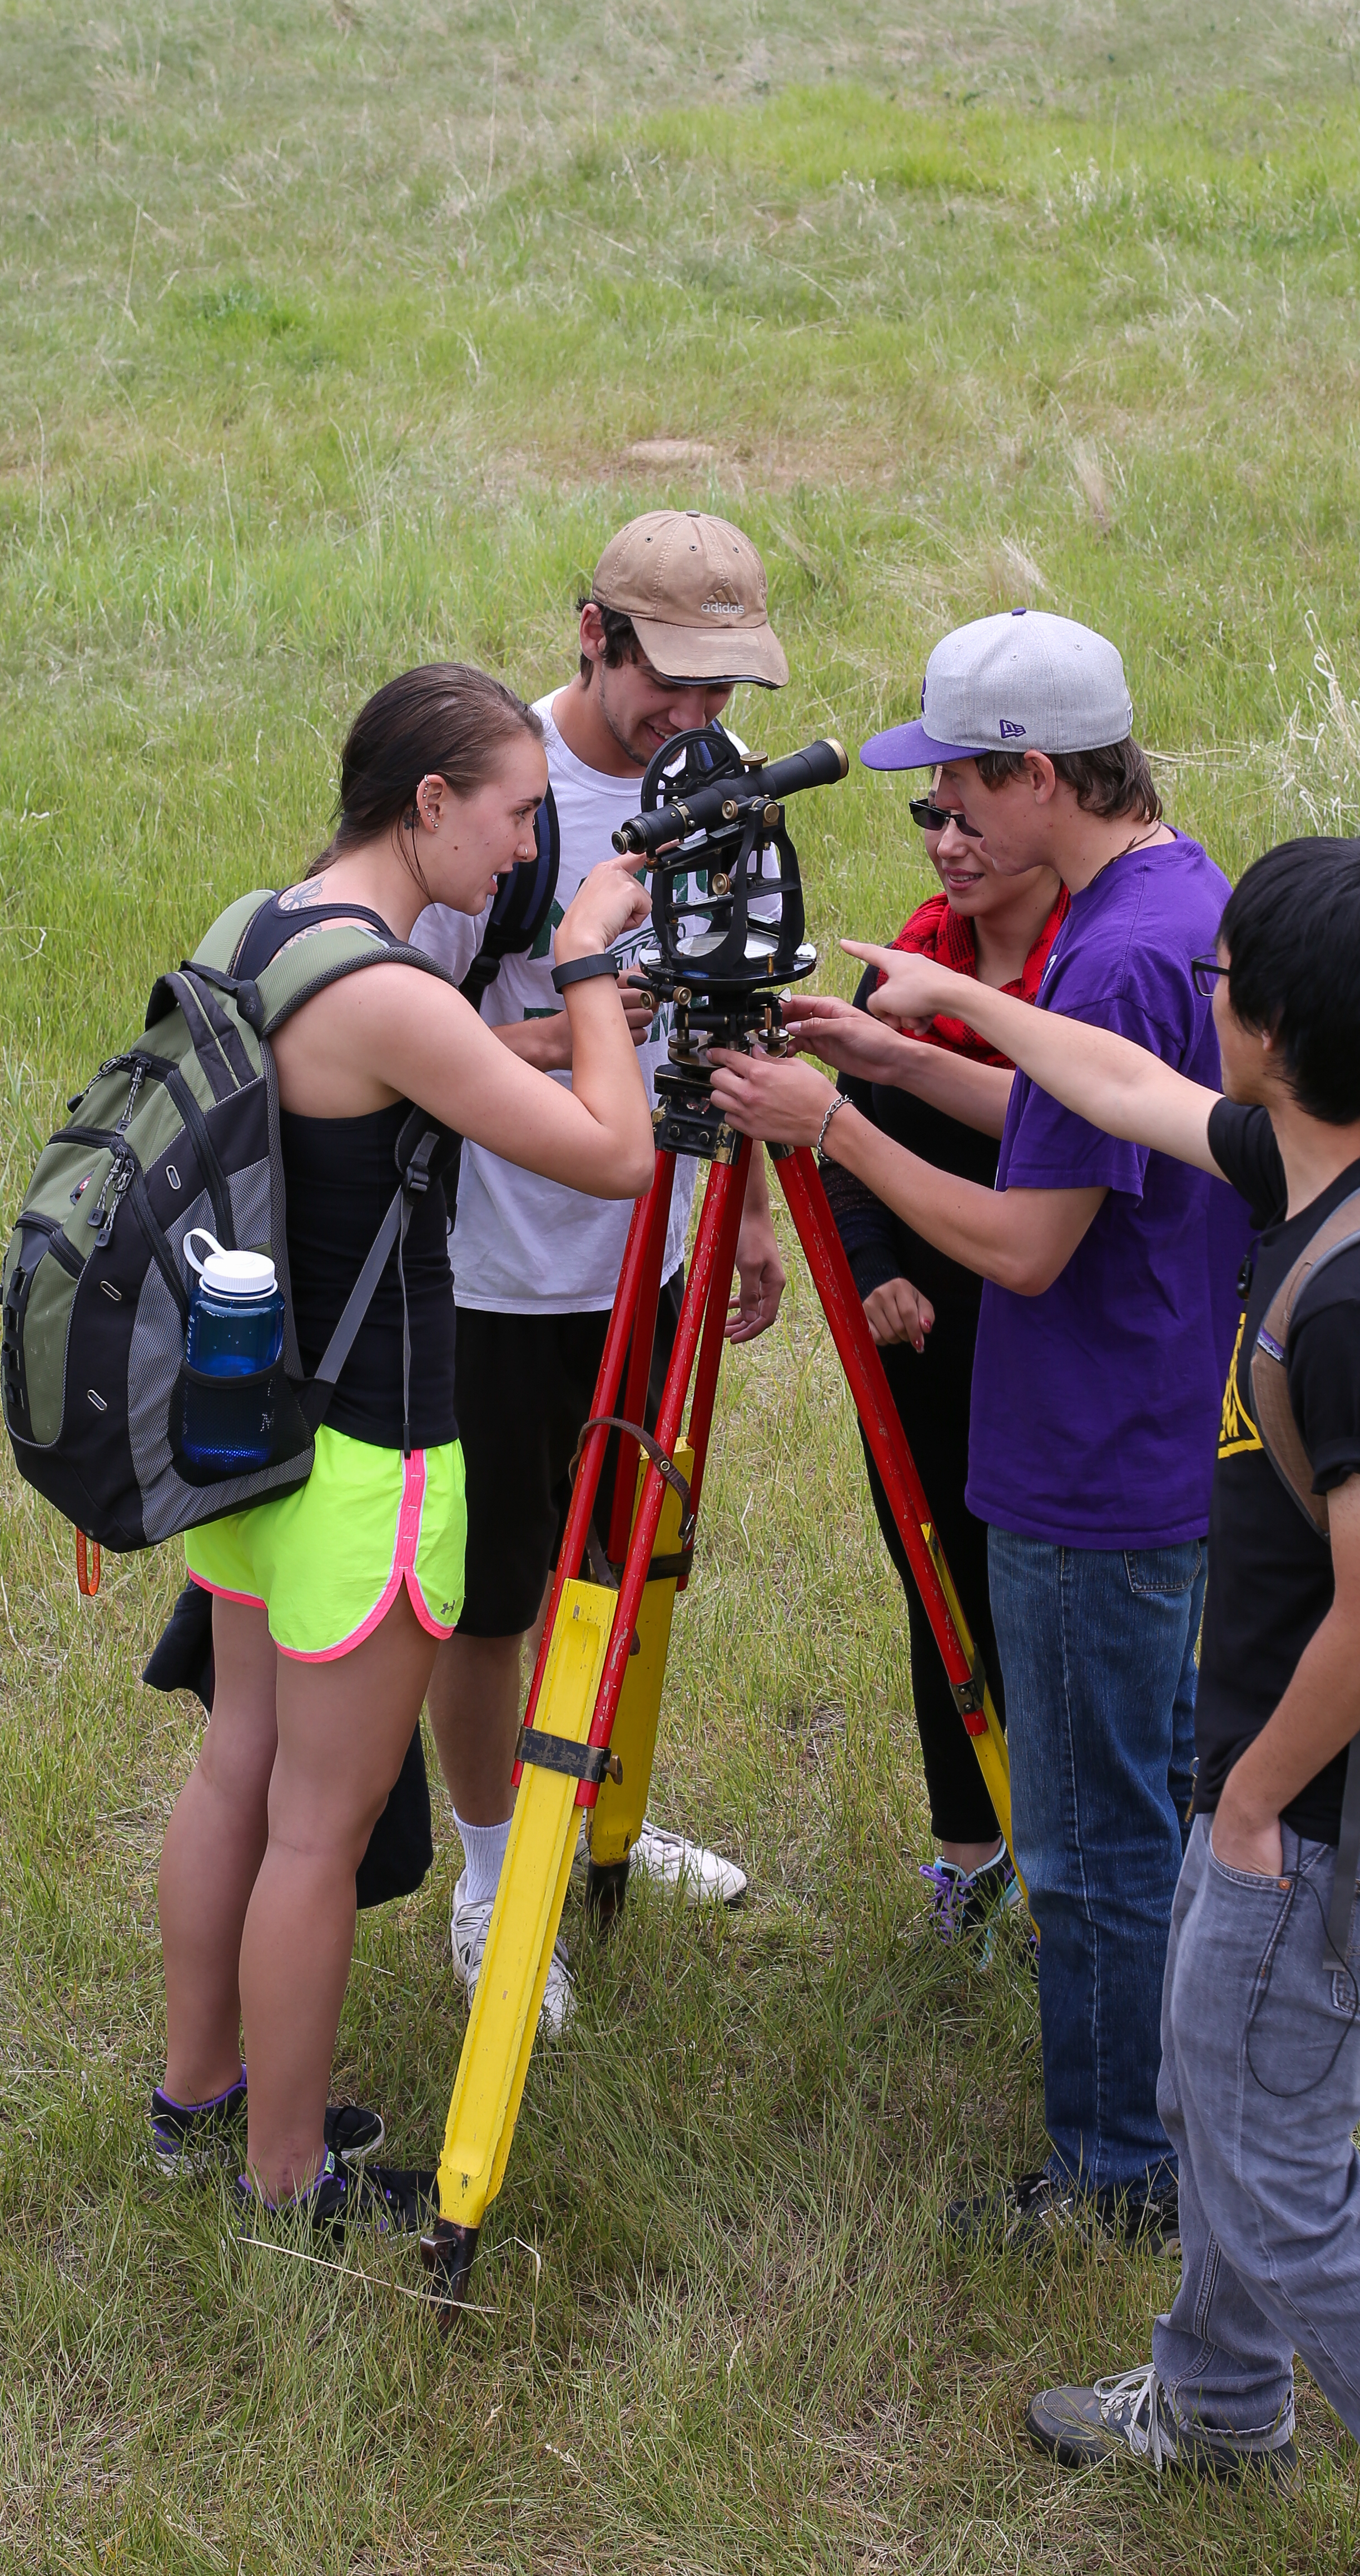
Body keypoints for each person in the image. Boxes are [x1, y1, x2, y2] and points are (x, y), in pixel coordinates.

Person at [828, 835, 1360, 2576]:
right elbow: (1123, 1085)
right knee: (1216, 2093)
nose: (1194, 1005)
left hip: (1331, 1811)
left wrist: (1254, 1801)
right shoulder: (1342, 1170)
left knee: (1281, 2173)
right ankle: (1218, 2402)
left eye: (1220, 984)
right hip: (1292, 1787)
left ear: (1268, 1030)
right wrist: (945, 1012)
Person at [712, 609, 1247, 2250]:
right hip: (1148, 1433)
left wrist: (832, 1131)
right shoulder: (1168, 895)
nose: (940, 830)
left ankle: (1109, 2178)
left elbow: (1027, 1244)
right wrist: (891, 1058)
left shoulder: (1116, 950)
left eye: (954, 795)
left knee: (1085, 1849)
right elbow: (1095, 1121)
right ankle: (1180, 2105)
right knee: (1144, 1805)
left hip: (1091, 1460)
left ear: (1036, 774)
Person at [157, 663, 655, 2222]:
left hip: (247, 1422)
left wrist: (526, 1015)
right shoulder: (398, 994)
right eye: (514, 820)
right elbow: (618, 1157)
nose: (526, 852)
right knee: (316, 1829)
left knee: (238, 1770)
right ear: (427, 803)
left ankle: (198, 2096)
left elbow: (390, 1091)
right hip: (368, 1452)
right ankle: (288, 2178)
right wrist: (582, 968)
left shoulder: (266, 927)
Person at [413, 512, 787, 2030]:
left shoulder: (726, 791)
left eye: (723, 690)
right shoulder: (504, 794)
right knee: (495, 1595)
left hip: (665, 1254)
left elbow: (737, 1002)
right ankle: (499, 1874)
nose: (693, 718)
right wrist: (579, 1018)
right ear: (593, 632)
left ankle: (605, 1819)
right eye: (670, 682)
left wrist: (745, 1215)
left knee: (623, 1565)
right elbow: (400, 1037)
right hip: (504, 1270)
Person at [792, 794, 1068, 1939]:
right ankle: (971, 1850)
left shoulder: (1086, 988)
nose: (945, 842)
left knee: (1054, 1592)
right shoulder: (901, 972)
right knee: (939, 1581)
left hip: (1051, 1326)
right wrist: (870, 1270)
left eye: (970, 817)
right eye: (928, 815)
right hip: (922, 1337)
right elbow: (845, 1137)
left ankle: (1076, 1842)